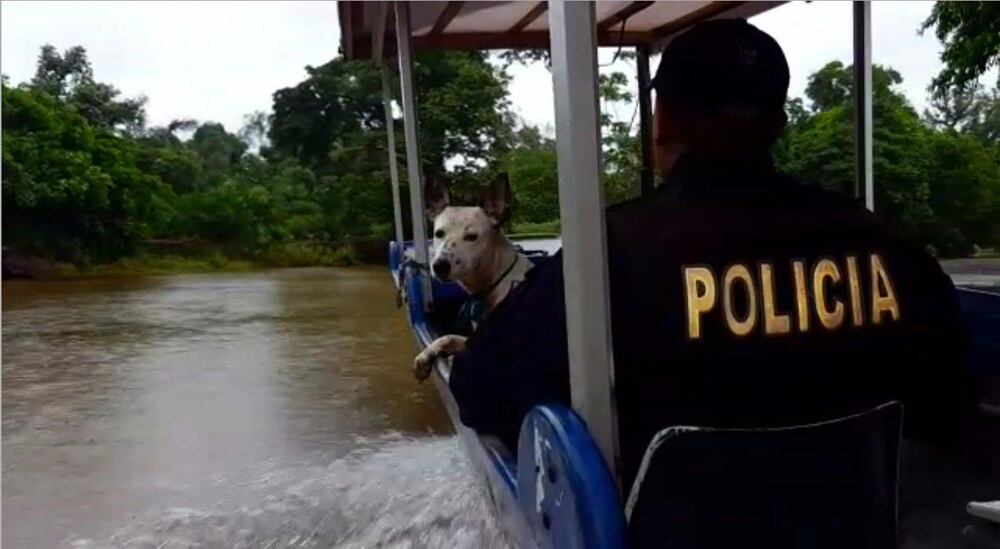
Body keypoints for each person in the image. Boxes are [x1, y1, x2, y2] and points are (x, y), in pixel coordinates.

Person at [447, 19, 973, 489]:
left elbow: (480, 388)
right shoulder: (881, 243)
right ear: (778, 124)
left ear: (662, 123)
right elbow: (950, 401)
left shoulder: (609, 253)